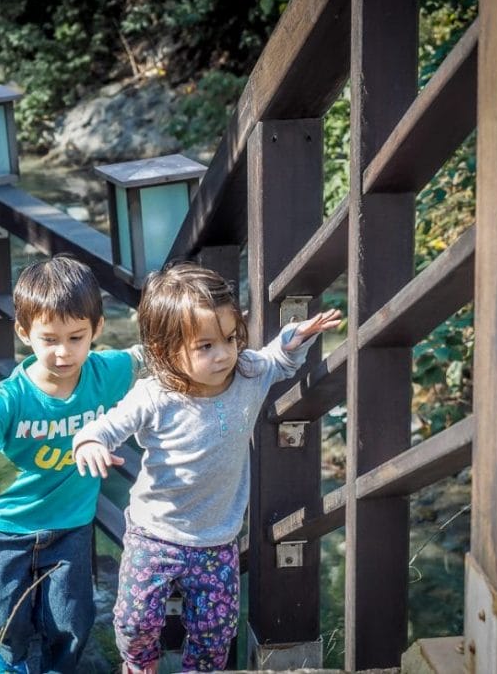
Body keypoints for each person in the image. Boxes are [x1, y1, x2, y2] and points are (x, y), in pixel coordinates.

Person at [72, 262, 341, 673]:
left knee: (216, 631)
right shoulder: (155, 394)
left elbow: (278, 360)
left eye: (231, 338)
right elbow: (108, 426)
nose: (225, 354)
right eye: (206, 346)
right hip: (154, 533)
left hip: (217, 538)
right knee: (134, 621)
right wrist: (90, 442)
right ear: (164, 351)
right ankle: (138, 665)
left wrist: (295, 339)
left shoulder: (247, 373)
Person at [0, 254, 143, 674]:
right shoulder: (10, 397)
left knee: (71, 620)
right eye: (49, 339)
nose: (63, 352)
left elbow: (152, 356)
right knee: (3, 619)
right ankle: (7, 665)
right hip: (6, 527)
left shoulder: (107, 372)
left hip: (71, 524)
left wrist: (211, 342)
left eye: (76, 337)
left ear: (98, 330)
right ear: (24, 332)